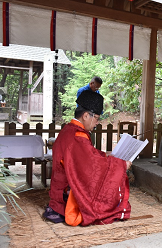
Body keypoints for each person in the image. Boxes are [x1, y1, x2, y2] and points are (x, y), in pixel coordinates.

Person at [43, 90, 132, 226]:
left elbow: (88, 156)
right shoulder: (77, 136)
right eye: (96, 118)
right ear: (86, 115)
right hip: (66, 195)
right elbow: (91, 165)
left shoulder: (68, 130)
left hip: (60, 189)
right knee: (107, 197)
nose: (97, 122)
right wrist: (121, 165)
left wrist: (105, 155)